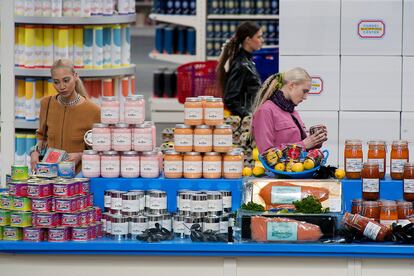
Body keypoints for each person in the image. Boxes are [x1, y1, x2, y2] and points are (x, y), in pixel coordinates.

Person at [29, 59, 101, 173]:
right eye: (56, 82)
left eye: (66, 80)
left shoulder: (94, 111)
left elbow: (101, 150)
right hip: (50, 176)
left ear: (75, 76)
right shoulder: (46, 104)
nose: (61, 86)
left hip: (79, 177)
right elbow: (42, 138)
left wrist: (80, 155)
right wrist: (34, 152)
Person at [251, 67, 328, 154]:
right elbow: (266, 154)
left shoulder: (293, 112)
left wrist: (315, 140)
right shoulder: (265, 111)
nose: (306, 97)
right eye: (304, 91)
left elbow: (299, 148)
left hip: (298, 167)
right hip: (281, 168)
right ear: (292, 86)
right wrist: (304, 145)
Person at [217, 21, 264, 118]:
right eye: (258, 37)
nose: (262, 40)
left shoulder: (247, 61)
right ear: (248, 39)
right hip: (244, 124)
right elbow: (230, 99)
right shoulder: (241, 65)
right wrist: (247, 116)